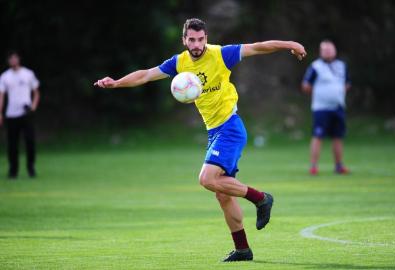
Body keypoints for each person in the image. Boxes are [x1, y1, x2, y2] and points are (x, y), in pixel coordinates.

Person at [95, 18, 306, 262]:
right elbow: (145, 75)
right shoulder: (179, 62)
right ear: (184, 40)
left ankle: (261, 198)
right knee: (222, 193)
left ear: (206, 38)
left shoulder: (221, 55)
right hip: (214, 132)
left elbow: (258, 47)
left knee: (207, 179)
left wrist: (290, 43)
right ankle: (242, 249)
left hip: (230, 127)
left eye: (201, 39)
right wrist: (117, 83)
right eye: (192, 40)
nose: (197, 44)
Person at [301, 40, 351, 175]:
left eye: (330, 49)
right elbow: (306, 85)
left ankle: (339, 166)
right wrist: (322, 95)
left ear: (335, 51)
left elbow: (347, 84)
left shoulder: (342, 66)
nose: (328, 52)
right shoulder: (315, 66)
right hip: (321, 108)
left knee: (338, 136)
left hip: (338, 106)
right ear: (321, 52)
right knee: (317, 136)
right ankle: (313, 166)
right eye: (325, 50)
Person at [0, 51, 40, 179]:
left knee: (30, 142)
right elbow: (1, 96)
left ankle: (31, 168)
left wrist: (33, 106)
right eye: (11, 59)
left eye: (15, 58)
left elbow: (36, 92)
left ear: (19, 59)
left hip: (26, 113)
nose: (13, 61)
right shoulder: (5, 76)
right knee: (12, 144)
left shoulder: (28, 73)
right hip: (12, 114)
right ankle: (13, 171)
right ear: (8, 61)